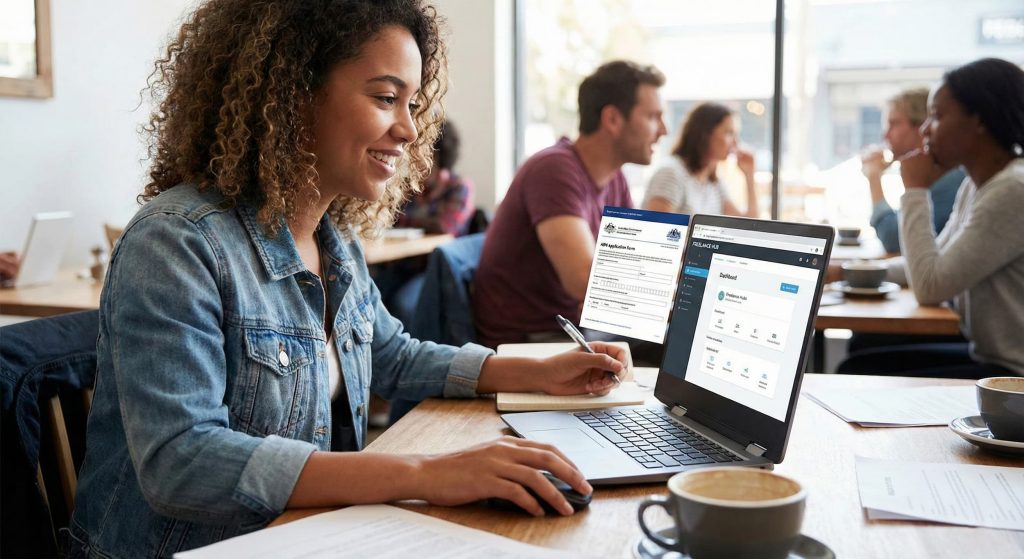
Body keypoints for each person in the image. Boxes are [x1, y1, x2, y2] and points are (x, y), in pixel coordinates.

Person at [68, 2, 627, 557]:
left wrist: (540, 372)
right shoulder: (177, 242)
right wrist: (424, 474)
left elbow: (393, 355)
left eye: (412, 103)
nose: (409, 129)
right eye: (387, 98)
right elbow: (181, 462)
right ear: (291, 92)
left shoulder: (333, 240)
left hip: (299, 538)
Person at [841, 58, 1024, 379]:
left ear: (978, 120)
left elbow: (930, 286)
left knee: (859, 368)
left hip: (1011, 376)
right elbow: (932, 260)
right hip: (987, 356)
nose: (926, 129)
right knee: (864, 346)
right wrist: (844, 271)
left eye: (937, 117)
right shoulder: (976, 184)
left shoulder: (1013, 189)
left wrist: (914, 190)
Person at [473, 60, 667, 350]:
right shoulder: (554, 169)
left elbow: (635, 266)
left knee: (681, 338)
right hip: (534, 341)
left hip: (579, 329)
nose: (663, 130)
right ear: (612, 119)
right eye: (653, 116)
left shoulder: (615, 179)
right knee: (681, 347)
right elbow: (586, 283)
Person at [859, 88, 966, 254]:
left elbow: (894, 239)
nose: (885, 136)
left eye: (893, 124)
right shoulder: (928, 174)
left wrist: (874, 178)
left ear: (922, 126)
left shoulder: (950, 178)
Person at [642, 102, 758, 217]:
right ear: (705, 134)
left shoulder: (714, 184)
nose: (735, 142)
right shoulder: (671, 173)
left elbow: (751, 227)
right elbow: (659, 229)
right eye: (729, 133)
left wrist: (749, 176)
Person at [394, 118, 474, 235]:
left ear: (440, 153)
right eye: (414, 148)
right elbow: (387, 220)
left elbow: (445, 227)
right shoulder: (408, 186)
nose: (416, 156)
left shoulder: (459, 187)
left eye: (424, 150)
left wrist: (406, 221)